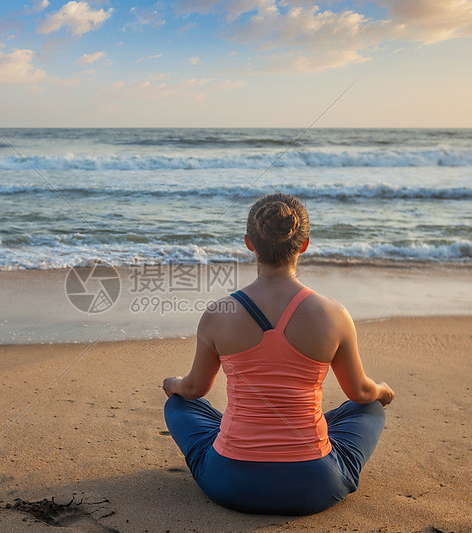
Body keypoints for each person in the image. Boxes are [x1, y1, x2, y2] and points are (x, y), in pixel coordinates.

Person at [162, 193, 395, 515]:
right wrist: (382, 390)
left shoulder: (218, 313)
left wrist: (172, 383)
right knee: (369, 409)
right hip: (314, 485)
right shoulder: (333, 314)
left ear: (249, 243)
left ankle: (237, 439)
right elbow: (360, 391)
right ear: (304, 245)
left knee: (181, 405)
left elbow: (194, 390)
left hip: (229, 482)